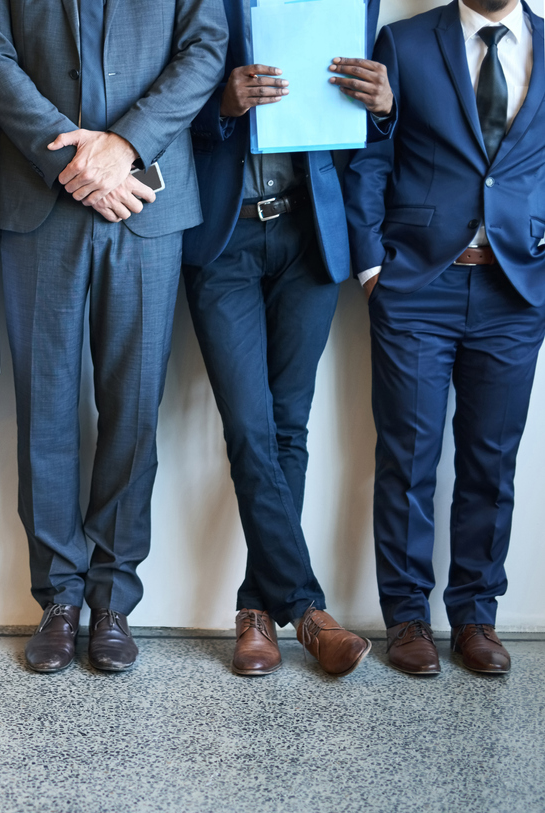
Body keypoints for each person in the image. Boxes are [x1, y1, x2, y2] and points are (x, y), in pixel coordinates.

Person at [0, 0, 226, 673]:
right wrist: (72, 157)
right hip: (38, 196)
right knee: (44, 409)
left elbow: (203, 50)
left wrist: (123, 146)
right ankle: (58, 597)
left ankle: (112, 598)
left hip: (146, 198)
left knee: (133, 407)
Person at [180, 0, 392, 677]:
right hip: (223, 236)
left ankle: (253, 611)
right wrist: (221, 105)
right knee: (248, 426)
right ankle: (306, 608)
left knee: (287, 428)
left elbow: (361, 136)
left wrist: (382, 107)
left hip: (310, 235)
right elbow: (155, 104)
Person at [345, 0, 545, 676]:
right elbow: (370, 154)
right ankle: (405, 617)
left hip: (513, 291)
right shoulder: (402, 42)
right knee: (407, 456)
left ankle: (475, 616)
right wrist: (372, 265)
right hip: (416, 286)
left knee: (492, 461)